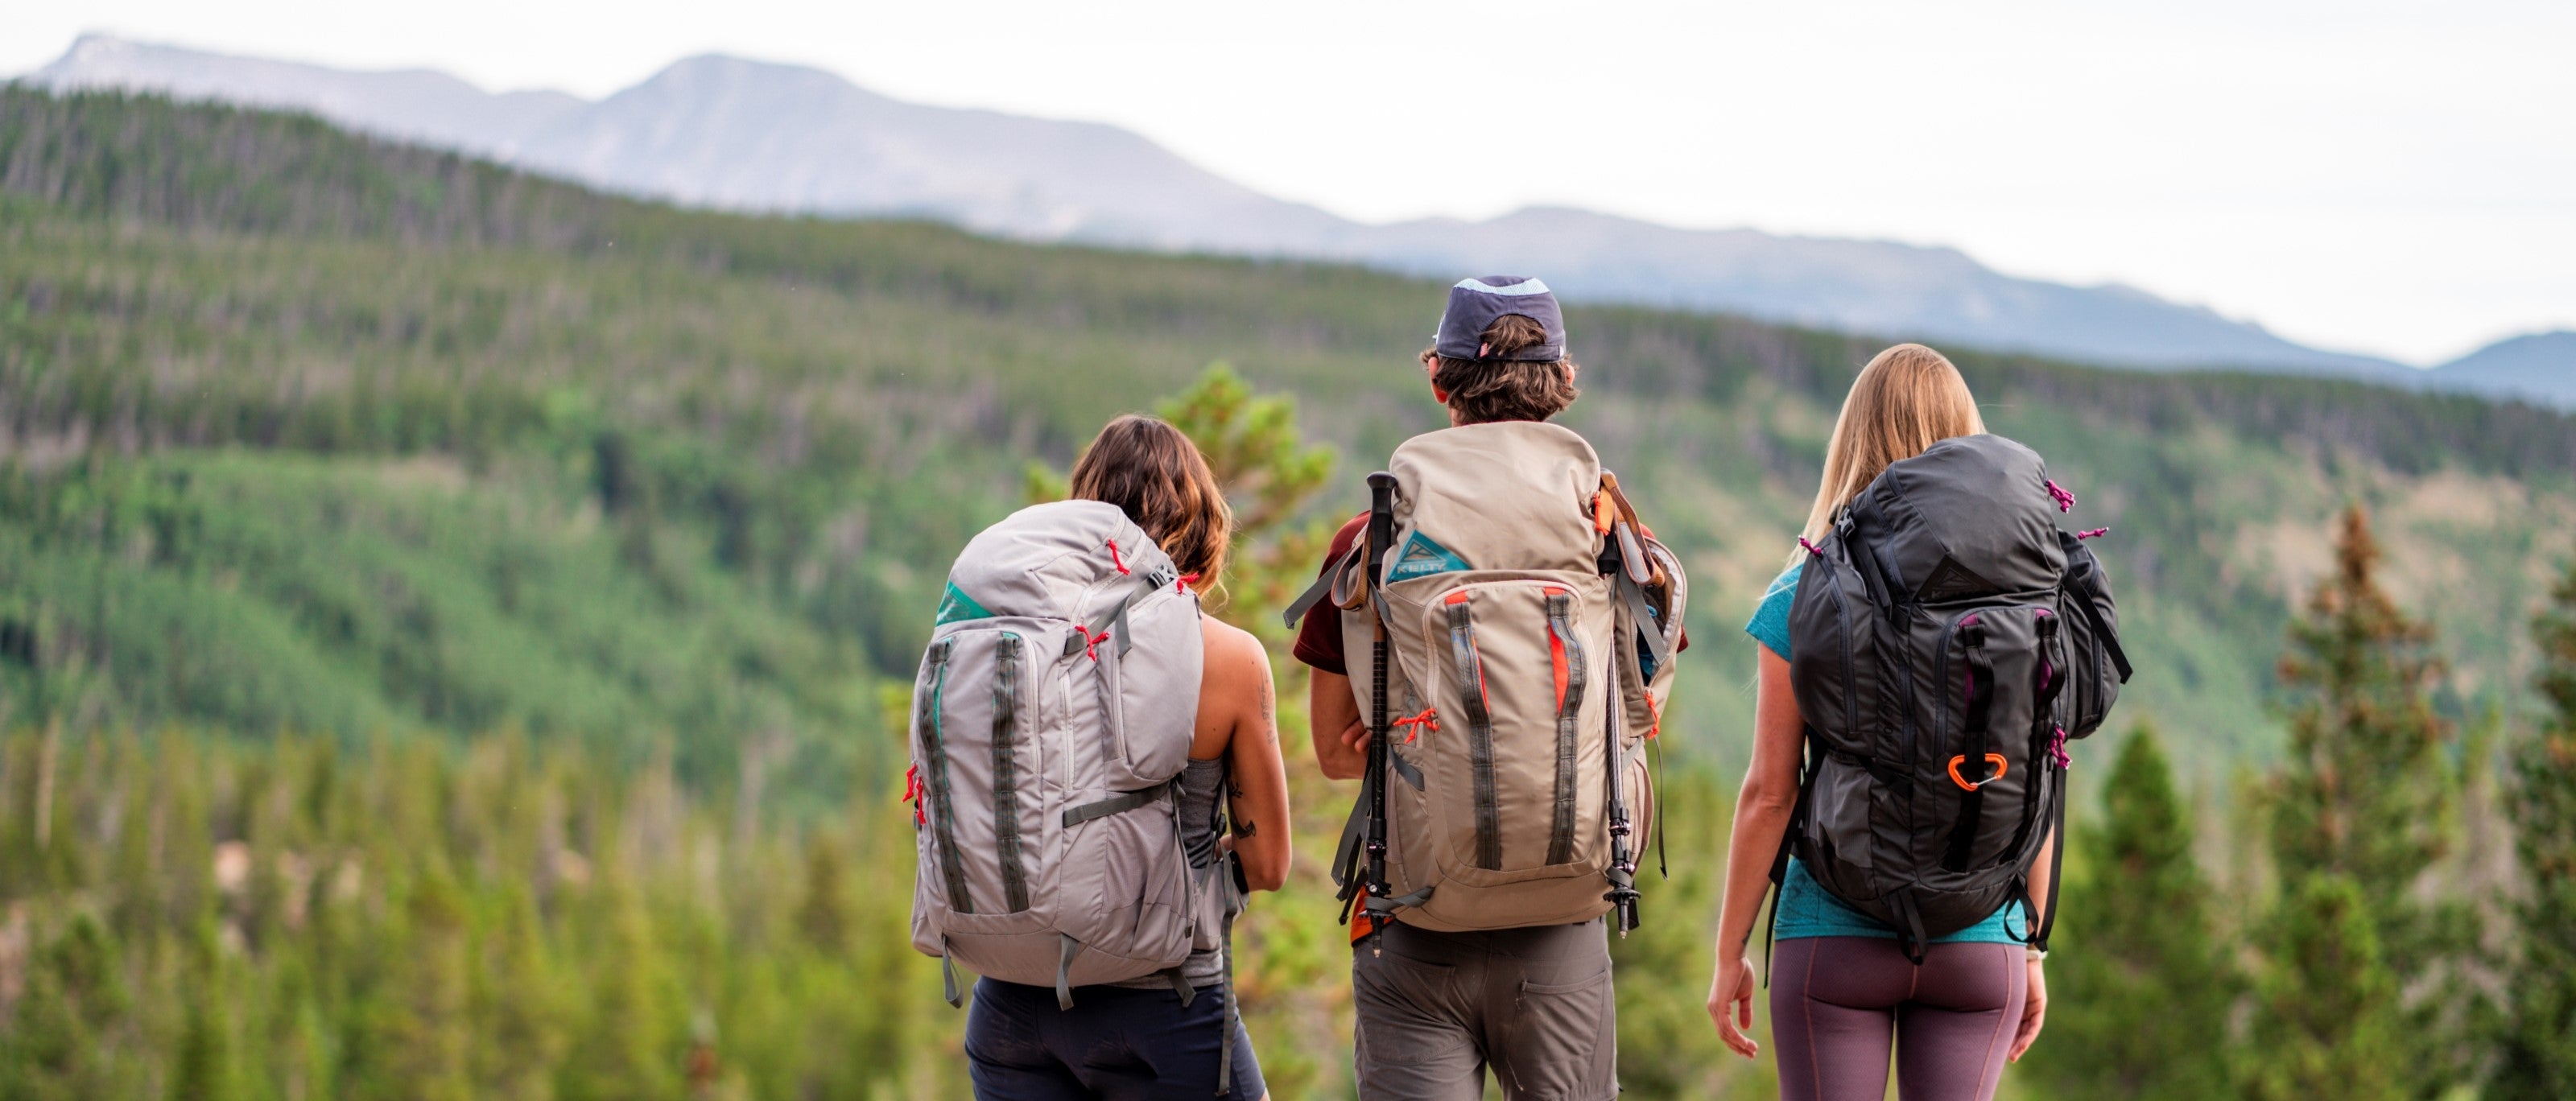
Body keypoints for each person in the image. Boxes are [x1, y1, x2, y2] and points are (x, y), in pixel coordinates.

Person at [1295, 277, 1671, 1101]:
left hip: (1415, 925)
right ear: (1561, 385)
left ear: (1439, 383)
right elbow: (1640, 713)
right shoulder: (1613, 535)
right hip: (1563, 923)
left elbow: (1330, 754)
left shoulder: (1373, 539)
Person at [1704, 344, 2052, 1101]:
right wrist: (2029, 946)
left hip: (1833, 933)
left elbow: (1772, 791)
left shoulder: (1809, 585)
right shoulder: (2024, 596)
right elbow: (2039, 775)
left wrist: (1730, 949)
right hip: (1981, 932)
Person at [964, 414, 1292, 1101]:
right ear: (1200, 526)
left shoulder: (1015, 643)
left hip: (1013, 1004)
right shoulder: (1229, 658)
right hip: (1166, 1013)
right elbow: (1268, 866)